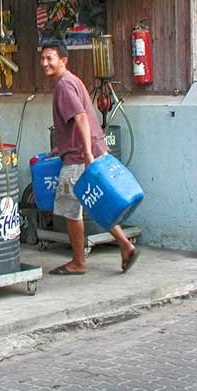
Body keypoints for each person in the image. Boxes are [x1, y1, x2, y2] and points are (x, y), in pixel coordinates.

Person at [40, 40, 138, 276]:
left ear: (63, 60)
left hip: (79, 159)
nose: (44, 63)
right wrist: (61, 147)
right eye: (42, 59)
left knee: (70, 211)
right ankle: (125, 245)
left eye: (50, 58)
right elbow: (75, 123)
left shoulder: (64, 85)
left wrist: (85, 156)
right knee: (96, 204)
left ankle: (78, 262)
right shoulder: (72, 81)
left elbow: (82, 119)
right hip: (87, 151)